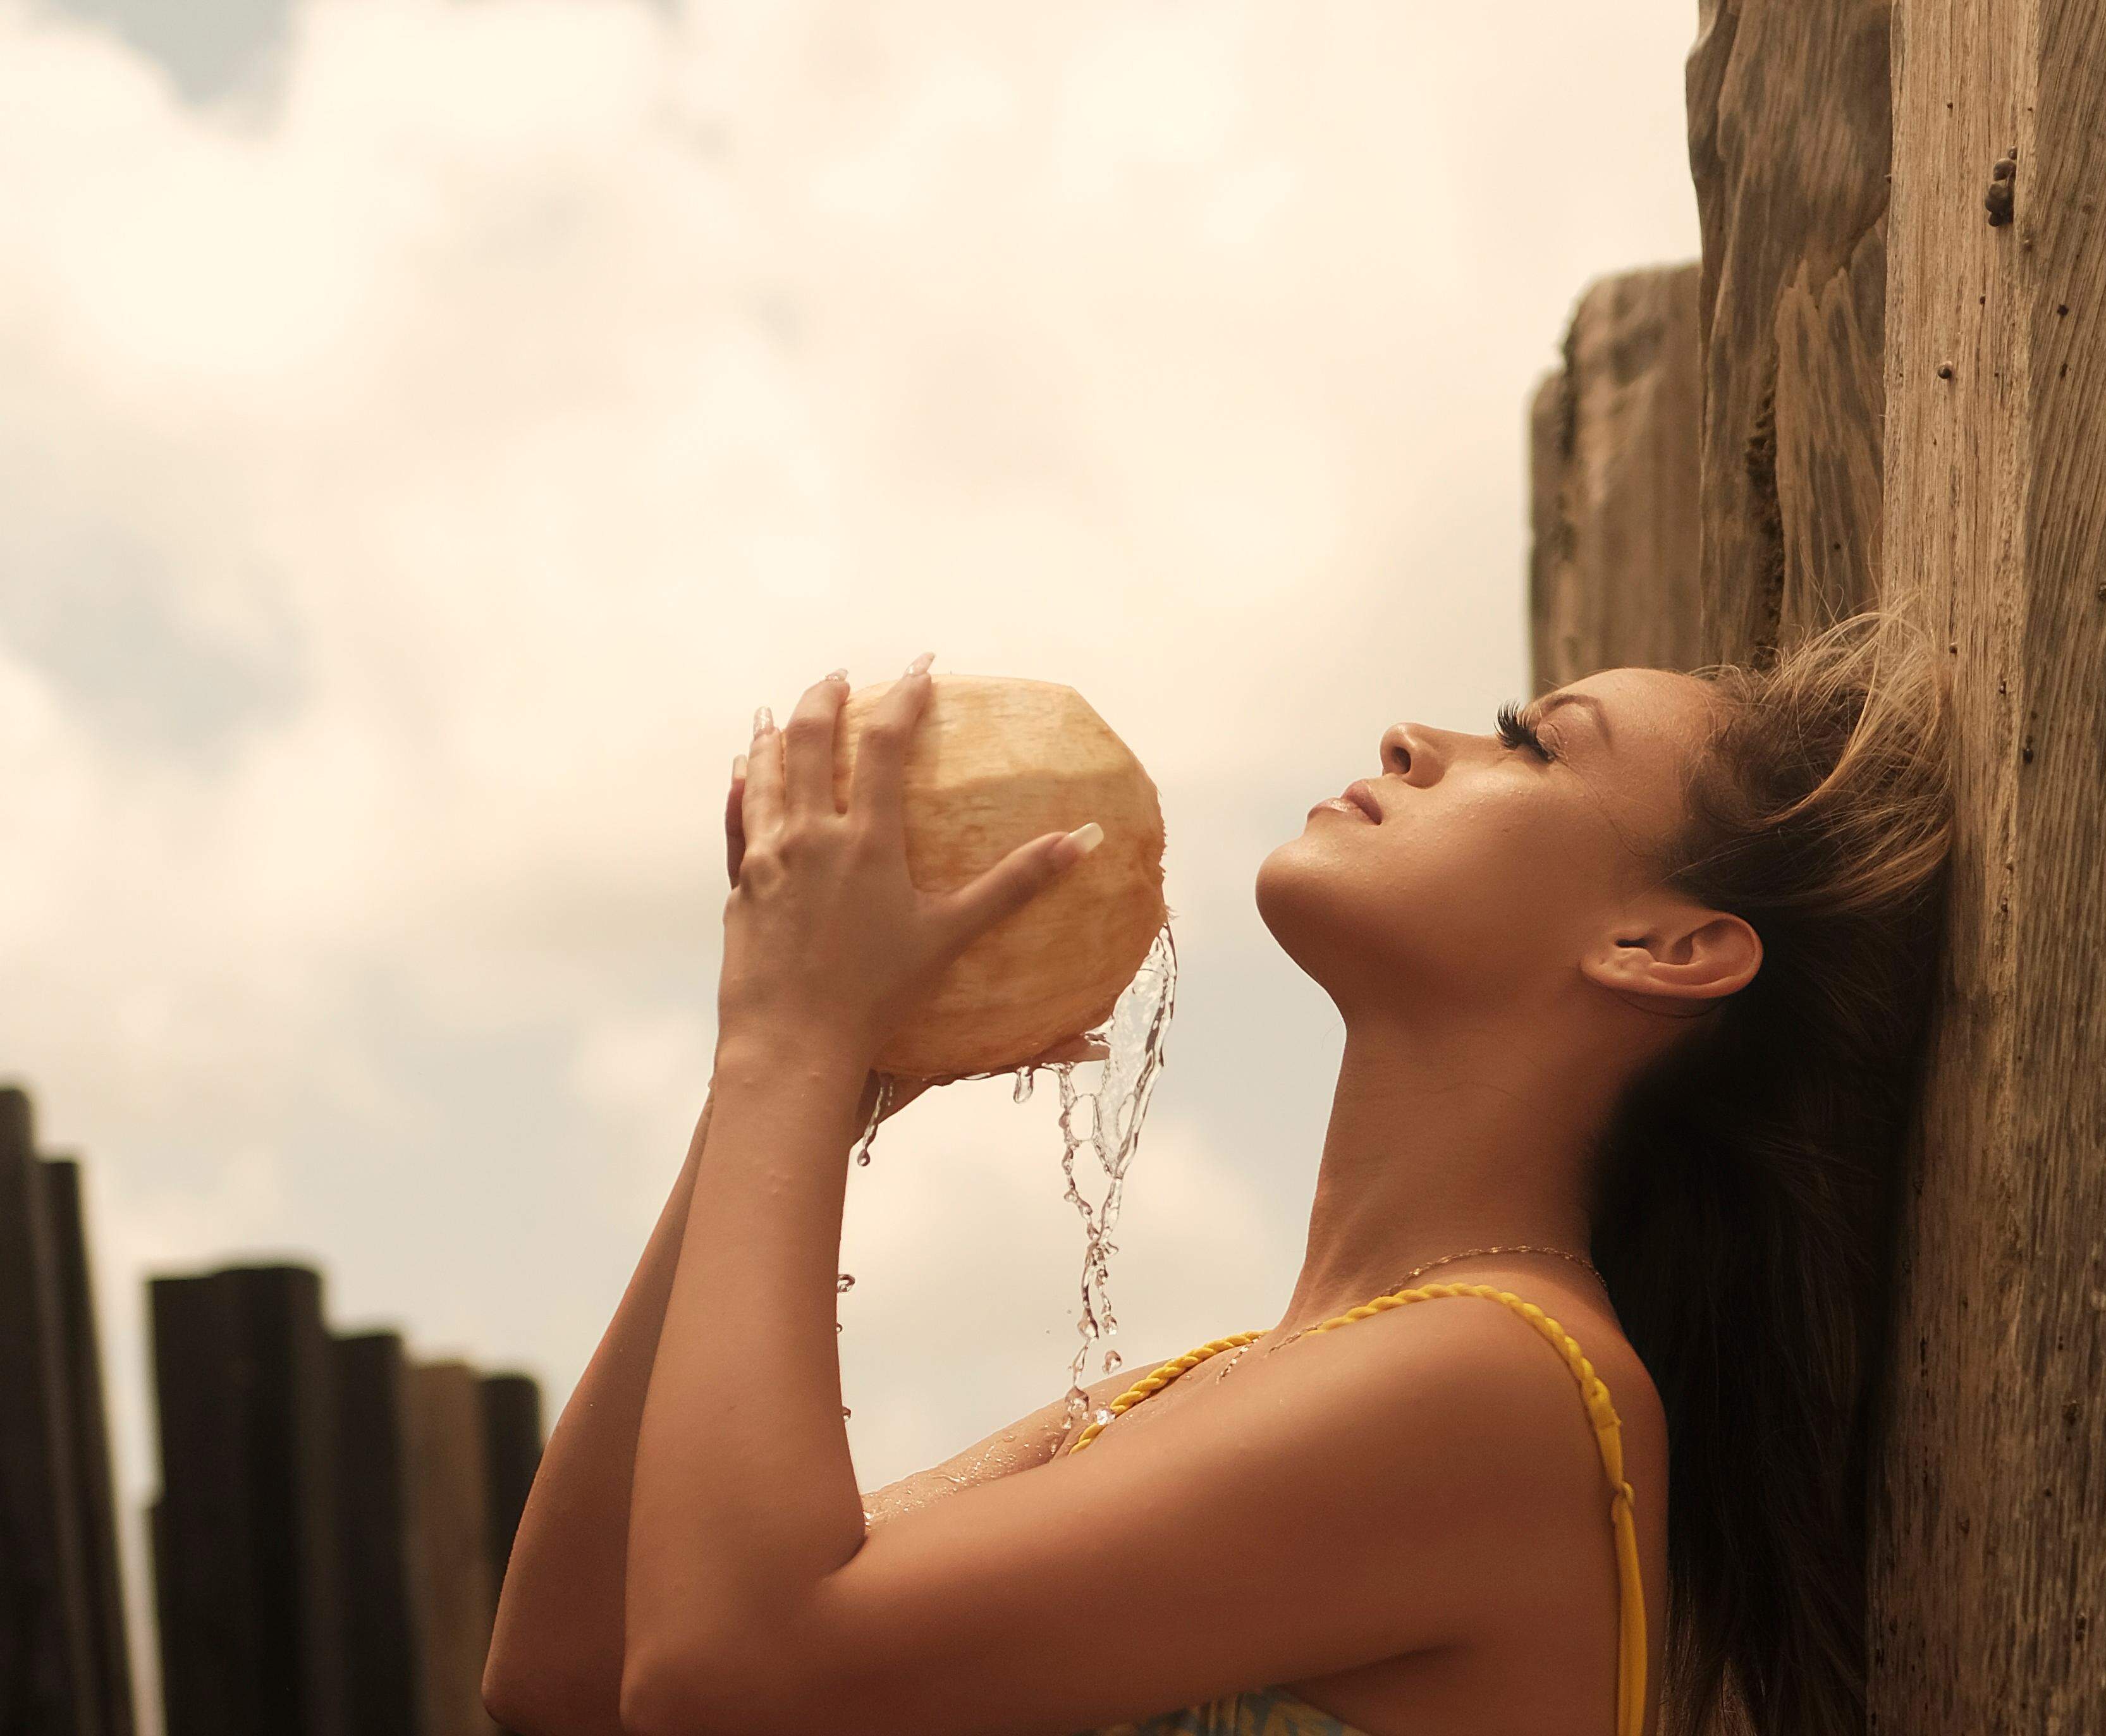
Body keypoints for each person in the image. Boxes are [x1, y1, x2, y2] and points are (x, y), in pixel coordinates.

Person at [483, 604, 1952, 1736]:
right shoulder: (1226, 1388)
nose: (1410, 736)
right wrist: (827, 1057)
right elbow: (572, 1670)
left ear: (1665, 948)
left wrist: (784, 1048)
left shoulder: (1498, 1386)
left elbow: (723, 1676)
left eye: (1530, 739)